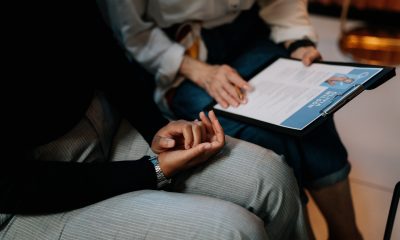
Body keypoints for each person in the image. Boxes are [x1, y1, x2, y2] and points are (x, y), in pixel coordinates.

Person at [0, 3, 308, 240]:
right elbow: (13, 185)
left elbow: (100, 47)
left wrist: (155, 126)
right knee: (234, 231)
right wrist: (152, 170)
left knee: (273, 178)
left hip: (107, 124)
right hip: (27, 193)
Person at [98, 0, 363, 239]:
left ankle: (347, 233)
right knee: (262, 137)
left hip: (245, 30)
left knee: (312, 112)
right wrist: (199, 71)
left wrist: (299, 43)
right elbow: (132, 30)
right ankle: (302, 232)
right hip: (178, 50)